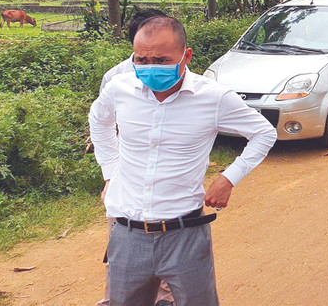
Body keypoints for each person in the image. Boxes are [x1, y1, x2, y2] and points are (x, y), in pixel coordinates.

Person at [89, 16, 277, 305]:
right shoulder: (119, 89)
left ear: (186, 55)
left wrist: (229, 178)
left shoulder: (213, 98)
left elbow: (263, 133)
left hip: (185, 235)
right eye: (142, 59)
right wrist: (110, 172)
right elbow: (98, 121)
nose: (151, 67)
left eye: (162, 60)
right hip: (127, 235)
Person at [97, 9, 175, 306]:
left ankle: (166, 297)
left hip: (168, 180)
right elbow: (106, 127)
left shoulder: (176, 69)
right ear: (136, 42)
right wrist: (111, 177)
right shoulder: (116, 78)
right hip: (128, 182)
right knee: (123, 250)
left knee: (172, 242)